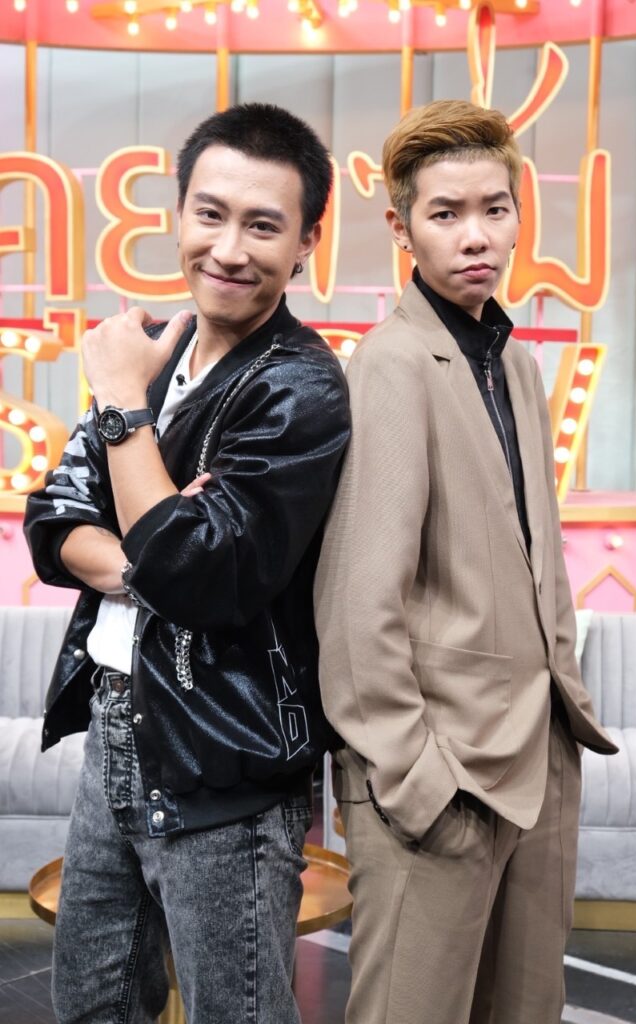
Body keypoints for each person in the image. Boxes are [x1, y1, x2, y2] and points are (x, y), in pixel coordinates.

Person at [24, 102, 350, 1024]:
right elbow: (53, 521)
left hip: (225, 760)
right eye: (210, 214)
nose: (229, 249)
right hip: (117, 729)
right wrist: (150, 547)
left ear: (307, 241)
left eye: (263, 226)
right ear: (178, 215)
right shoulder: (158, 357)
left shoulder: (300, 388)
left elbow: (201, 577)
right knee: (93, 1004)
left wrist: (121, 409)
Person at [314, 99, 617, 1024]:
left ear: (521, 215)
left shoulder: (514, 362)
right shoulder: (390, 363)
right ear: (402, 228)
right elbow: (358, 602)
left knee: (526, 1010)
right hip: (440, 776)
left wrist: (565, 720)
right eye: (446, 213)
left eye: (495, 208)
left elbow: (537, 556)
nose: (476, 235)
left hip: (539, 757)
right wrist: (416, 780)